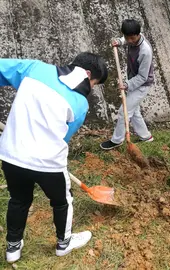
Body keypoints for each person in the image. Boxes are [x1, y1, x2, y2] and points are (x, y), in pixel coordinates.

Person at [0, 52, 108, 263]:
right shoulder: (80, 103)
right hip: (48, 163)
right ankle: (63, 243)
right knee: (62, 201)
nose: (92, 88)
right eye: (94, 83)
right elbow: (64, 136)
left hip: (12, 156)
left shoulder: (34, 68)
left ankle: (13, 249)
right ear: (87, 74)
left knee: (19, 199)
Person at [100, 19, 154, 150]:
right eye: (126, 38)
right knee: (134, 111)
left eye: (131, 38)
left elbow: (143, 76)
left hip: (142, 85)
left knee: (123, 112)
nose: (129, 41)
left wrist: (127, 84)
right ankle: (146, 136)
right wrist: (119, 41)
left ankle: (117, 140)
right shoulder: (130, 39)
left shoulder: (145, 51)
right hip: (133, 80)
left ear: (138, 34)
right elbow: (125, 40)